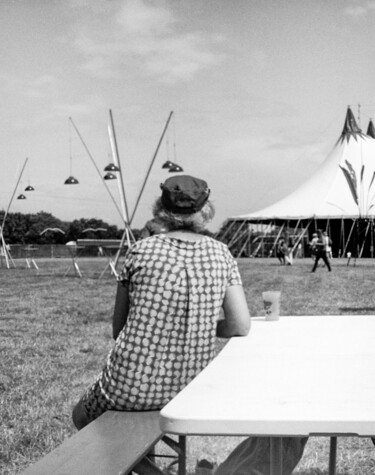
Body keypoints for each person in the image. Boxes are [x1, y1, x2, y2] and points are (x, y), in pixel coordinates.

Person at [72, 175, 251, 475]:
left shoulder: (140, 251)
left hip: (129, 387)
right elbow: (240, 324)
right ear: (206, 210)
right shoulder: (221, 253)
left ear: (161, 208)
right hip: (190, 389)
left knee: (81, 417)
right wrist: (204, 325)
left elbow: (119, 330)